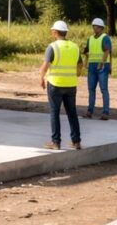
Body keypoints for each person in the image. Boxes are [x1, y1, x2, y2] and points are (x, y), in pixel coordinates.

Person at [39, 20, 82, 150]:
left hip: (55, 84)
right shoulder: (75, 47)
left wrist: (41, 78)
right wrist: (77, 74)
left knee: (55, 113)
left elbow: (45, 66)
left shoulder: (52, 47)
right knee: (72, 113)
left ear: (55, 32)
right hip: (70, 85)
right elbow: (80, 65)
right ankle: (76, 141)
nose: (52, 32)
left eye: (52, 30)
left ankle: (56, 142)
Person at [83, 17, 112, 120]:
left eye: (96, 27)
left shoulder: (105, 38)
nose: (95, 28)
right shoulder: (90, 39)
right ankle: (89, 112)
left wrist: (102, 63)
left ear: (101, 28)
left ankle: (105, 113)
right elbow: (86, 52)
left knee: (104, 89)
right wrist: (86, 63)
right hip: (92, 66)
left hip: (102, 66)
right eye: (94, 26)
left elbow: (107, 51)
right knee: (91, 89)